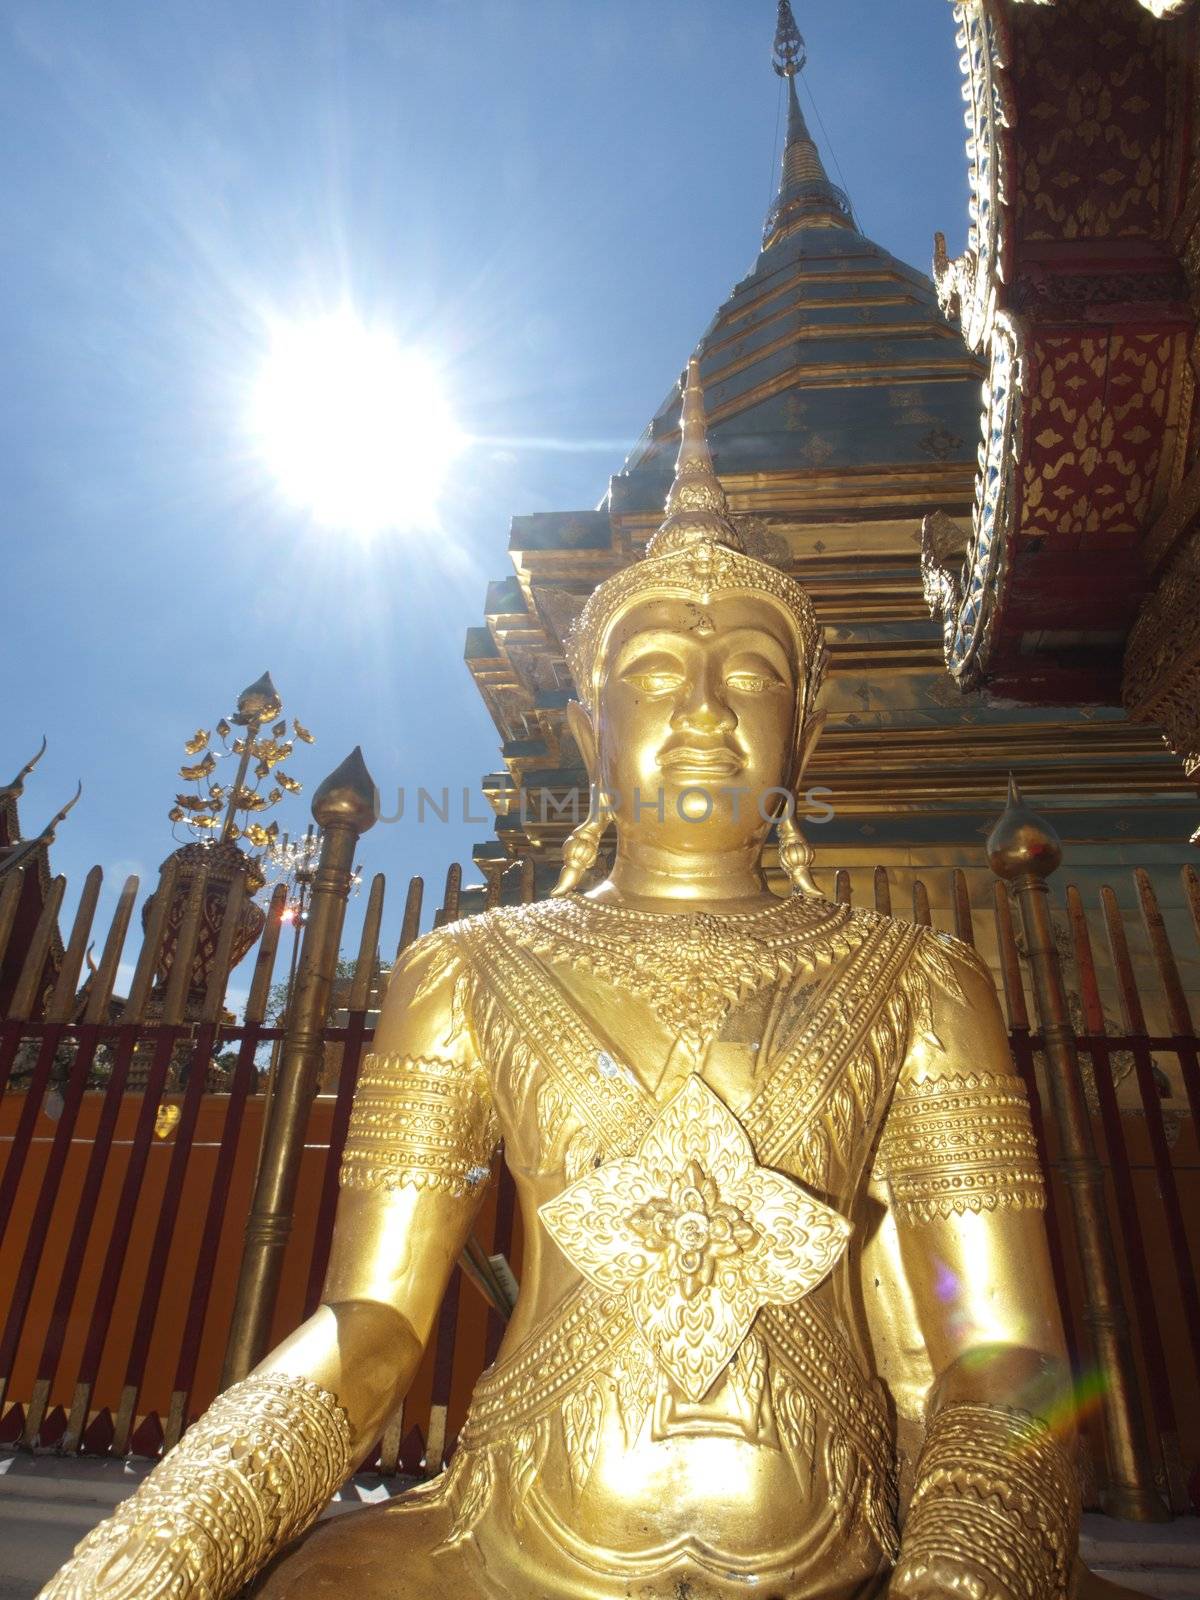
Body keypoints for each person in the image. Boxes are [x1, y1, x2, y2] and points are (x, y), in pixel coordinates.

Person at [41, 362, 1078, 1600]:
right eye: (649, 672)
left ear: (804, 731)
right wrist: (161, 1545)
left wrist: (961, 1575)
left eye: (751, 671)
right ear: (586, 730)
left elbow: (1005, 1347)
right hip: (504, 1535)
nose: (702, 705)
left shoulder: (918, 978)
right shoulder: (468, 969)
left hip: (846, 1546)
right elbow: (366, 1328)